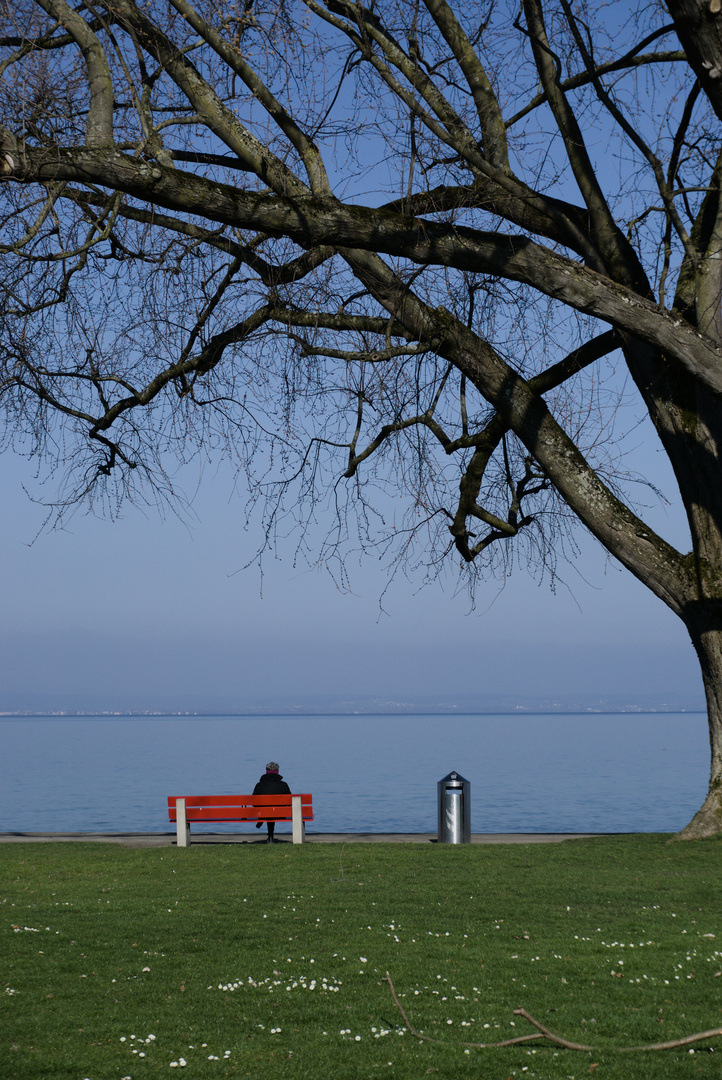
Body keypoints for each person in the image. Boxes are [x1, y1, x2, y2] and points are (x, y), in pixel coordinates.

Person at [253, 762, 291, 843]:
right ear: (277, 771)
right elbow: (290, 802)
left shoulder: (259, 785)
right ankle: (269, 834)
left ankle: (262, 821)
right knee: (272, 811)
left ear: (266, 771)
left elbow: (253, 802)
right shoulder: (283, 785)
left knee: (267, 811)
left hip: (263, 813)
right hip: (280, 814)